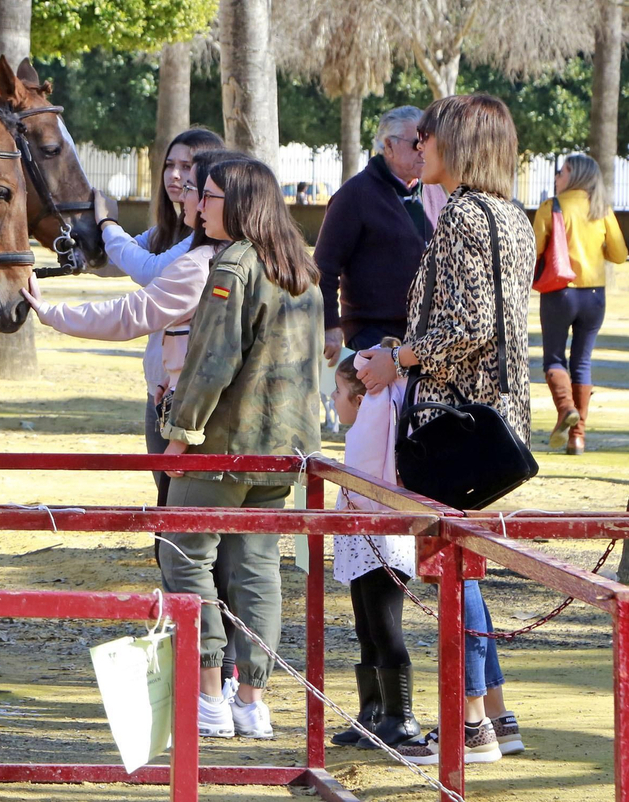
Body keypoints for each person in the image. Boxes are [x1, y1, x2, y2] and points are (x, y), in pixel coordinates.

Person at [356, 94, 533, 765]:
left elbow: (468, 326)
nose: (418, 145)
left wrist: (398, 357)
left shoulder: (461, 214)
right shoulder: (511, 214)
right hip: (498, 417)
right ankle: (494, 714)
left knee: (451, 566)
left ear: (456, 143)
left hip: (456, 422)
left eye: (426, 136)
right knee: (463, 564)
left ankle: (471, 725)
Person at [156, 157, 322, 741]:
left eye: (208, 195)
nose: (197, 205)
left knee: (184, 555)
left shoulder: (235, 264)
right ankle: (251, 700)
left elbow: (212, 361)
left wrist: (180, 434)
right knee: (257, 569)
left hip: (225, 445)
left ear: (240, 203)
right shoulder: (299, 267)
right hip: (283, 448)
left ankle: (208, 693)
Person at [95, 128, 225, 497]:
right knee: (166, 505)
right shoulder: (164, 231)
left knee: (184, 511)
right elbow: (109, 262)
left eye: (187, 166)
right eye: (169, 165)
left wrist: (107, 224)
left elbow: (149, 270)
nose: (175, 176)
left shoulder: (204, 238)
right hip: (159, 390)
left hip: (195, 399)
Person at [328, 348, 421, 750]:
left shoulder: (378, 417)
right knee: (365, 627)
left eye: (338, 392)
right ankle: (372, 711)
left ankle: (402, 716)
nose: (333, 400)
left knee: (384, 627)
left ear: (359, 399)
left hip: (383, 536)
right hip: (363, 536)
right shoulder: (362, 430)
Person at [315, 106, 445, 363]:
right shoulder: (355, 195)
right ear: (389, 146)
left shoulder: (434, 191)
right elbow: (323, 267)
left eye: (428, 143)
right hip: (373, 332)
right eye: (416, 143)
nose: (423, 151)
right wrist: (330, 326)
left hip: (426, 334)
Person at [534, 153, 626, 453]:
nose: (557, 176)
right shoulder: (602, 209)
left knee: (554, 359)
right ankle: (578, 438)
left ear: (573, 174)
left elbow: (534, 248)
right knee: (582, 362)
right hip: (595, 296)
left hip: (559, 292)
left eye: (561, 171)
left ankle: (566, 409)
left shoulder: (551, 207)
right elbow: (619, 254)